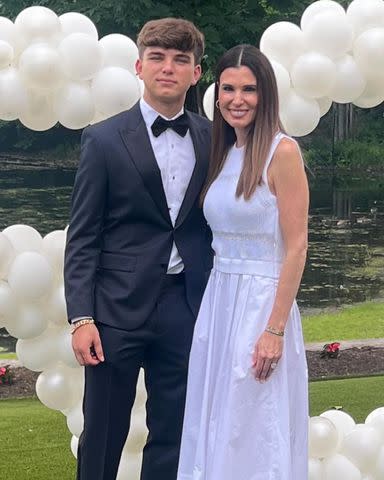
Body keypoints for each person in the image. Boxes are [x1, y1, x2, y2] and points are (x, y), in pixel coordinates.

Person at [64, 18, 213, 480]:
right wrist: (81, 317)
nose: (168, 68)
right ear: (139, 65)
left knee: (174, 433)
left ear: (195, 73)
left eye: (180, 60)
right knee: (103, 433)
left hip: (186, 307)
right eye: (158, 57)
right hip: (114, 312)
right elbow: (83, 235)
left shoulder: (215, 139)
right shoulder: (104, 139)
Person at [177, 44, 309, 480]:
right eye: (229, 89)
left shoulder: (281, 152)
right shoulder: (224, 152)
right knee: (215, 418)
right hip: (220, 302)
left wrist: (273, 329)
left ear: (265, 94)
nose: (238, 99)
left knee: (254, 424)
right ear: (217, 96)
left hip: (261, 302)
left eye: (249, 89)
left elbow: (296, 246)